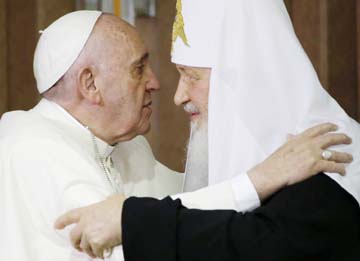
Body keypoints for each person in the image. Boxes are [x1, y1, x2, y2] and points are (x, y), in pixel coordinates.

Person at [0, 10, 347, 261]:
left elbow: (185, 215)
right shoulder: (29, 144)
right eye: (138, 69)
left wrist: (263, 167)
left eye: (190, 76)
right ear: (91, 84)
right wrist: (261, 178)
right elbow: (125, 240)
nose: (158, 83)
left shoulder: (126, 146)